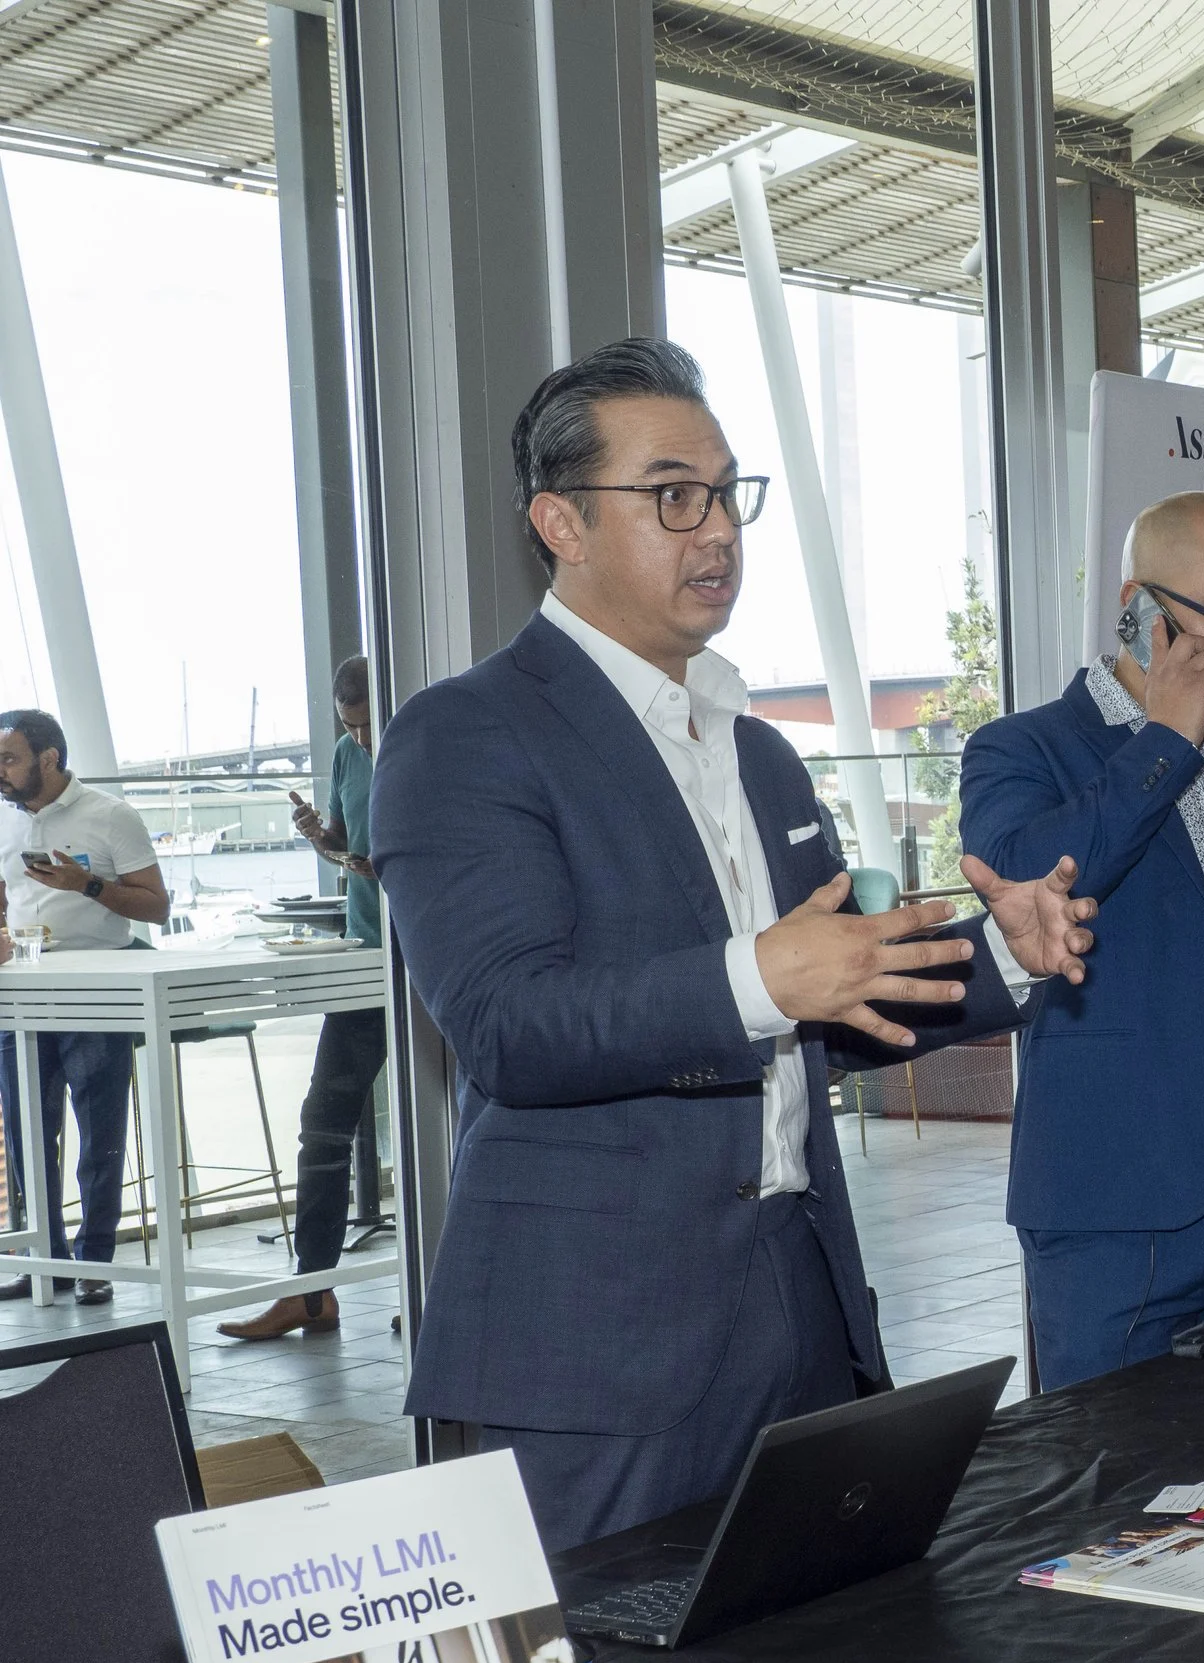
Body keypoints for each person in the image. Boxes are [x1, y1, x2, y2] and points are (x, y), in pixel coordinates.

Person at [371, 337, 1096, 1552]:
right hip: (596, 1350)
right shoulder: (464, 737)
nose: (716, 532)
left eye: (727, 493)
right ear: (560, 520)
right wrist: (756, 977)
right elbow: (506, 1026)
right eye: (671, 497)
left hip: (800, 1307)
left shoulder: (756, 753)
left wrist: (1005, 954)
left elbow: (836, 1002)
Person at [958, 492, 1204, 1389]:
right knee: (1106, 1508)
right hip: (1112, 1224)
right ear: (1138, 610)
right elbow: (1034, 891)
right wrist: (1166, 740)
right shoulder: (1020, 751)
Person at [220, 655, 382, 1340]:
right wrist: (324, 838)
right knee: (323, 1121)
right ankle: (312, 1292)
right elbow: (351, 843)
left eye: (369, 724)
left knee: (452, 1123)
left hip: (428, 957)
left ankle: (445, 1292)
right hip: (364, 955)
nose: (362, 738)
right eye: (351, 726)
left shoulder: (428, 741)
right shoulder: (349, 755)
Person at [0, 708, 171, 1306]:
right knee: (26, 1132)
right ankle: (45, 1261)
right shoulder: (4, 823)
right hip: (20, 993)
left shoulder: (111, 816)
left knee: (100, 1129)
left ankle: (96, 1261)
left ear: (49, 758)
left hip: (97, 992)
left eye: (10, 758)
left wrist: (87, 886)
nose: (0, 771)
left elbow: (156, 908)